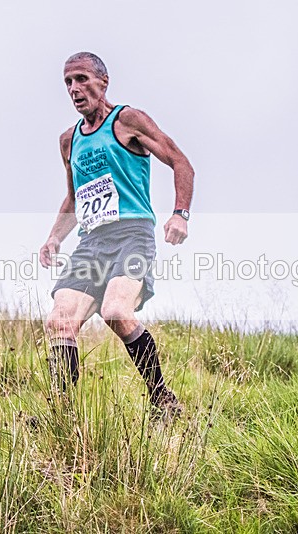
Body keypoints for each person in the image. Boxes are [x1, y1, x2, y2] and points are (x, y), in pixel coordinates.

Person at [38, 52, 194, 419]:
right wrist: (54, 237)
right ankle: (62, 417)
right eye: (68, 83)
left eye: (81, 79)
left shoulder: (127, 120)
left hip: (132, 233)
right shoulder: (68, 141)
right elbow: (75, 197)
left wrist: (180, 213)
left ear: (103, 82)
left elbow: (180, 161)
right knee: (59, 321)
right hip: (92, 242)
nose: (75, 89)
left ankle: (162, 399)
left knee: (115, 311)